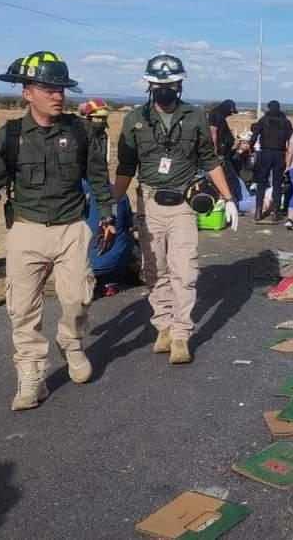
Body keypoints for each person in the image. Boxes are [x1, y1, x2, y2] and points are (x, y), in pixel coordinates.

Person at [0, 51, 117, 412]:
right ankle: (31, 372)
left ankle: (72, 343)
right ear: (27, 92)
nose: (57, 95)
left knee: (79, 299)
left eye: (61, 88)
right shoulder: (10, 136)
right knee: (22, 308)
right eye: (48, 88)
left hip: (71, 229)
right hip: (27, 229)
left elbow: (97, 178)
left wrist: (108, 217)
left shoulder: (80, 131)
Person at [112, 53, 238, 366]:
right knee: (155, 270)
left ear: (180, 83)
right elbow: (126, 166)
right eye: (159, 83)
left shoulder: (195, 117)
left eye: (170, 83)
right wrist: (111, 203)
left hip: (183, 203)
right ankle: (164, 325)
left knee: (185, 270)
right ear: (149, 84)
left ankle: (181, 333)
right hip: (149, 203)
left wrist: (229, 197)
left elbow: (210, 160)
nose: (165, 88)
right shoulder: (134, 120)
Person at [83, 179, 134, 296]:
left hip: (82, 261)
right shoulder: (120, 192)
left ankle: (89, 283)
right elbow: (128, 226)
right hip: (112, 260)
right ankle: (112, 282)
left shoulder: (75, 192)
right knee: (127, 237)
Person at [250, 100, 293, 223]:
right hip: (280, 153)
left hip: (265, 152)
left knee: (261, 182)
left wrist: (251, 148)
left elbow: (254, 136)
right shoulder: (286, 122)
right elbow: (292, 139)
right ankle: (275, 212)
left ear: (269, 108)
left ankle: (259, 211)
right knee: (277, 183)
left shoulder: (263, 120)